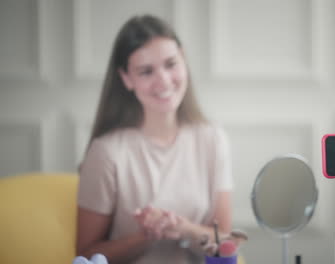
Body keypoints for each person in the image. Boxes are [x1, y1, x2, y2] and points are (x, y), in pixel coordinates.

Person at [76, 14, 233, 264]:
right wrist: (147, 237)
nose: (163, 80)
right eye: (146, 71)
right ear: (126, 78)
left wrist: (183, 229)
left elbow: (226, 244)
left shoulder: (212, 139)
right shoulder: (106, 152)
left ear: (184, 60)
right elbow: (84, 255)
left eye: (171, 64)